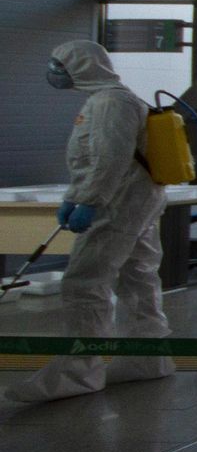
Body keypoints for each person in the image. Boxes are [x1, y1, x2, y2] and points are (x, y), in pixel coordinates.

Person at [5, 42, 175, 404]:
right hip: (134, 199)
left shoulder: (110, 103)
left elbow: (108, 159)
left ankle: (79, 371)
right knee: (137, 276)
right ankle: (146, 358)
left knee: (85, 281)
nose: (53, 71)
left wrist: (88, 200)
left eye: (59, 64)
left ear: (82, 67)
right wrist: (76, 196)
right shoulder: (118, 98)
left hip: (117, 203)